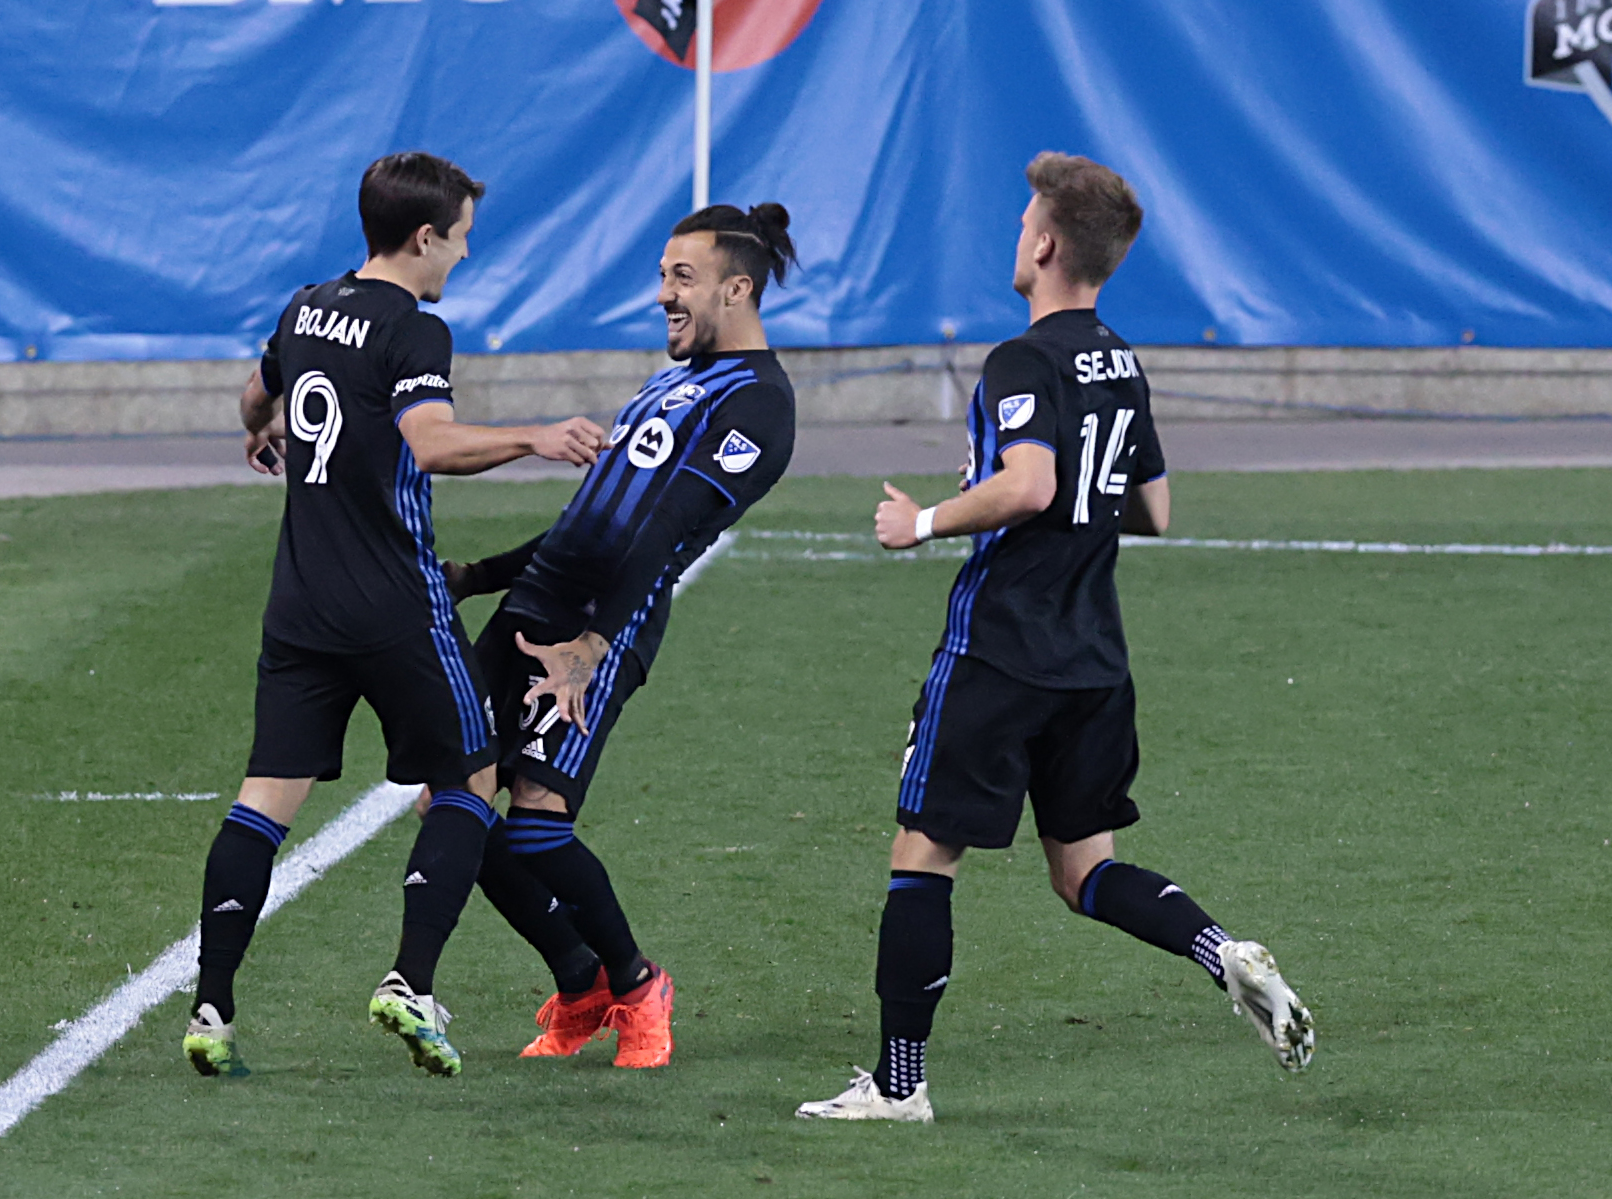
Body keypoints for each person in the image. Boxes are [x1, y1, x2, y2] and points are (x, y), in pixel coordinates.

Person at [796, 153, 1314, 1123]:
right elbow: (1154, 507)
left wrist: (923, 521)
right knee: (1083, 867)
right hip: (1093, 657)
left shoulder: (1021, 359)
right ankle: (1220, 950)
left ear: (1042, 244)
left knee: (922, 853)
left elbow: (1030, 484)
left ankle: (899, 1084)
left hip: (1000, 647)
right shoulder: (1121, 359)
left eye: (1022, 220)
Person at [181, 150, 605, 1078]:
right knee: (472, 777)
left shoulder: (304, 306)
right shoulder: (415, 331)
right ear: (423, 237)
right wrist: (537, 435)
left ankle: (211, 1004)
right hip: (395, 605)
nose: (461, 258)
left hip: (299, 606)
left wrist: (261, 428)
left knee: (264, 801)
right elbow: (435, 444)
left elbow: (258, 396)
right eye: (459, 241)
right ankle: (410, 980)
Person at [437, 204, 800, 1069]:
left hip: (607, 622)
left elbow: (664, 531)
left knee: (535, 825)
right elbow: (591, 519)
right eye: (663, 274)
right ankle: (578, 978)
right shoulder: (666, 382)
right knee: (450, 803)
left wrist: (592, 644)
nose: (663, 295)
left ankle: (638, 986)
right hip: (535, 603)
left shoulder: (759, 404)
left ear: (737, 287)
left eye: (683, 277)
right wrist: (476, 577)